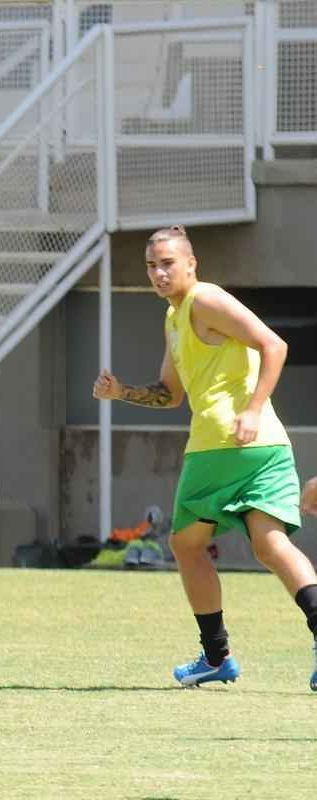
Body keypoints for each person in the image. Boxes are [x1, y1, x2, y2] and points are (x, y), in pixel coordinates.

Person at [93, 224, 317, 691]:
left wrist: (252, 410)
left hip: (222, 448)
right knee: (269, 545)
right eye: (152, 265)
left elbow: (274, 345)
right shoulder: (174, 318)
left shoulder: (206, 299)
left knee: (186, 545)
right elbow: (171, 394)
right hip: (266, 447)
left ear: (191, 264)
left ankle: (216, 657)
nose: (159, 272)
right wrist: (122, 393)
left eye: (168, 263)